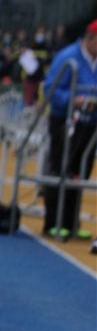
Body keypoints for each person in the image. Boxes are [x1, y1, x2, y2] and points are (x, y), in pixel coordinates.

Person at [41, 18, 97, 240]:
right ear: (90, 38)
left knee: (80, 172)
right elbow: (50, 89)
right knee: (60, 169)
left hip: (90, 125)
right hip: (65, 121)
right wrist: (74, 100)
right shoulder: (68, 57)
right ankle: (53, 222)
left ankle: (71, 222)